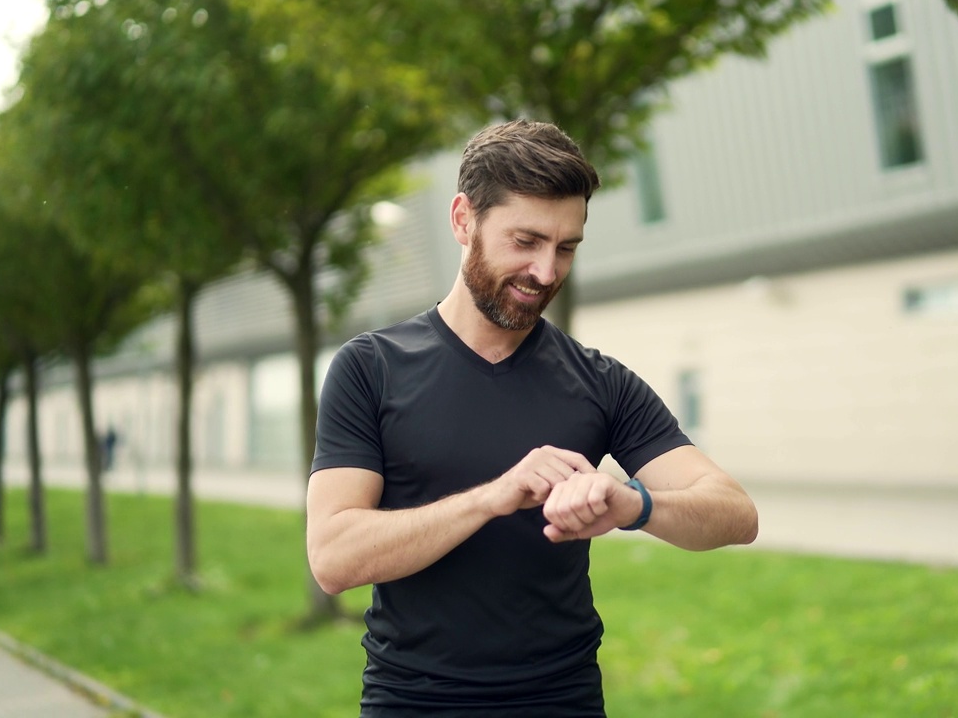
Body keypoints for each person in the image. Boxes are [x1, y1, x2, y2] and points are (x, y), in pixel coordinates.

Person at [306, 118, 759, 717]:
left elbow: (735, 514)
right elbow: (334, 559)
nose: (546, 272)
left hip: (563, 700)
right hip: (414, 703)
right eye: (526, 241)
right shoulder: (371, 368)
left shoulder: (600, 382)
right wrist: (491, 498)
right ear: (464, 220)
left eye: (565, 248)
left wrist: (633, 504)